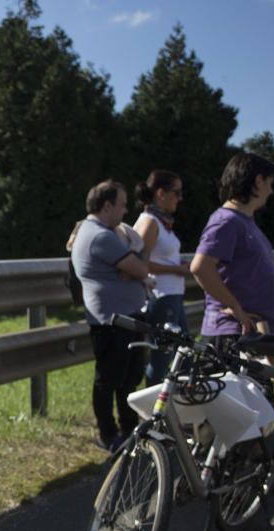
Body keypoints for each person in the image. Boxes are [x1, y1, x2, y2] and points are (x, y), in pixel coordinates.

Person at [71, 179, 150, 452]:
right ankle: (109, 434)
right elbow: (140, 268)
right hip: (111, 322)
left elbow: (134, 268)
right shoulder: (101, 236)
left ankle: (127, 430)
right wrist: (135, 268)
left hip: (121, 318)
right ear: (107, 206)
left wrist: (132, 268)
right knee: (111, 379)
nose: (125, 211)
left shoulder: (98, 232)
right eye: (122, 205)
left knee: (127, 378)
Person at [190, 152, 274, 344]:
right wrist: (237, 310)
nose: (271, 191)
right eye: (270, 183)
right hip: (234, 335)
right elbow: (201, 267)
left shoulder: (245, 222)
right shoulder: (226, 221)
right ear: (258, 181)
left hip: (255, 333)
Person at [132, 170, 192, 385]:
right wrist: (176, 270)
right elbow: (141, 264)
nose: (180, 198)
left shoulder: (159, 221)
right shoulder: (150, 222)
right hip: (162, 296)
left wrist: (176, 268)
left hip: (171, 295)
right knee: (163, 358)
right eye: (177, 193)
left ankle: (174, 409)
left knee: (184, 354)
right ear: (161, 193)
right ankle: (150, 412)